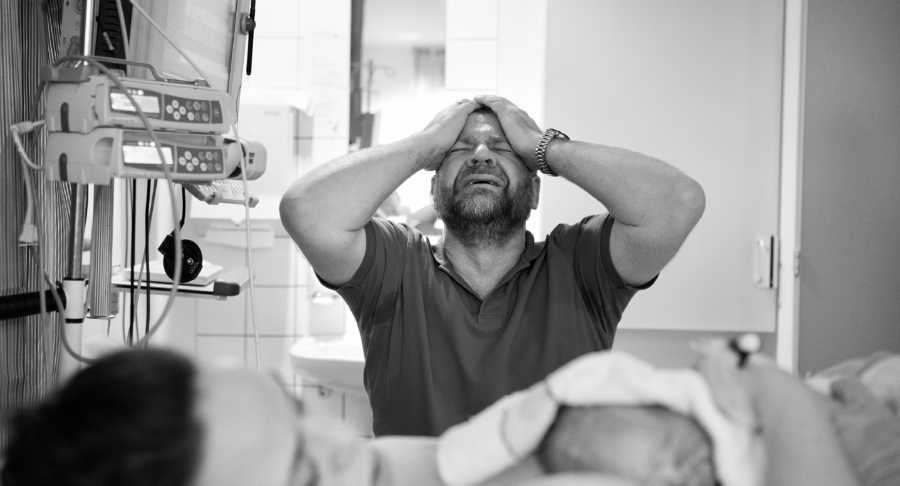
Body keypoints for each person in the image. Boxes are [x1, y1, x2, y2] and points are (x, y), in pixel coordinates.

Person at [279, 95, 707, 435]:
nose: (481, 155)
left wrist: (544, 147)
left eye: (504, 150)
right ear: (434, 187)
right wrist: (424, 144)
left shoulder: (580, 264)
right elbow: (307, 211)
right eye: (459, 150)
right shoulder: (395, 267)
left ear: (535, 193)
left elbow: (677, 203)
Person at [1, 345, 871, 486]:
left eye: (298, 404)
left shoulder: (384, 468)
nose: (344, 442)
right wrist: (771, 392)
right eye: (305, 474)